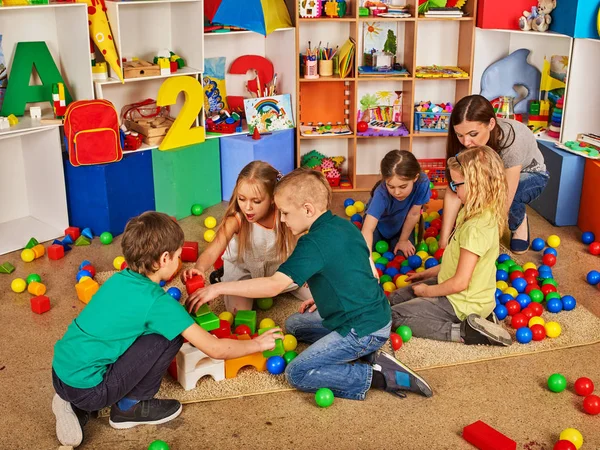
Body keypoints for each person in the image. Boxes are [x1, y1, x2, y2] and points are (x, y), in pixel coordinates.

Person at [186, 168, 433, 401]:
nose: (282, 220)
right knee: (294, 325)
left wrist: (217, 287)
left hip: (363, 329)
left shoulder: (312, 243)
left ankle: (379, 375)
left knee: (297, 373)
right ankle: (366, 354)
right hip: (374, 315)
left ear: (307, 209)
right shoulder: (341, 224)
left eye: (285, 213)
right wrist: (324, 296)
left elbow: (273, 286)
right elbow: (354, 270)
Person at [51, 212, 281, 448]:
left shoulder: (117, 280)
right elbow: (215, 349)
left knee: (125, 336)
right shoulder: (158, 304)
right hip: (91, 391)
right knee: (169, 337)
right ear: (164, 259)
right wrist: (257, 344)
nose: (181, 261)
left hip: (59, 372)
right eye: (179, 256)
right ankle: (129, 407)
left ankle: (69, 401)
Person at [389, 146, 512, 346]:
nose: (454, 190)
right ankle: (482, 318)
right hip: (456, 290)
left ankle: (465, 331)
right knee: (394, 298)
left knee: (395, 316)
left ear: (477, 184)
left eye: (457, 185)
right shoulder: (471, 211)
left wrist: (427, 292)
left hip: (461, 301)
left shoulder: (477, 228)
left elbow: (460, 283)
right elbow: (459, 263)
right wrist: (429, 274)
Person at [182, 161, 311, 313]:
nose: (247, 207)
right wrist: (199, 268)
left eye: (256, 201)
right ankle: (222, 274)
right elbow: (212, 250)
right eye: (242, 199)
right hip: (244, 271)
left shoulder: (285, 215)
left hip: (279, 270)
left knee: (322, 294)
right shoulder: (236, 219)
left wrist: (308, 269)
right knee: (239, 314)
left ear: (272, 198)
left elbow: (304, 244)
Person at [440, 95, 549, 254]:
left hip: (531, 174)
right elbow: (454, 187)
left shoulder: (512, 141)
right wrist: (444, 241)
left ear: (491, 124)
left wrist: (484, 242)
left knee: (500, 201)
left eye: (473, 134)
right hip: (494, 174)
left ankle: (519, 222)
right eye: (460, 135)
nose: (465, 142)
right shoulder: (465, 142)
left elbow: (505, 197)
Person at [362, 150, 431, 256]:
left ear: (415, 178)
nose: (397, 192)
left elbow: (413, 214)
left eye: (403, 186)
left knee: (403, 256)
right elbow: (368, 228)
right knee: (363, 251)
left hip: (402, 223)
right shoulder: (381, 194)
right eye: (391, 186)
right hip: (378, 226)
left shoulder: (422, 182)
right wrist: (369, 260)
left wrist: (403, 241)